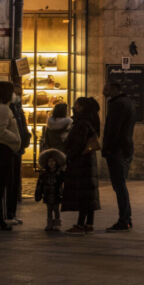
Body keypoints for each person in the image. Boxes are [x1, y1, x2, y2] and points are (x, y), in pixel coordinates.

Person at [62, 97, 101, 234]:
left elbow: (77, 144)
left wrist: (69, 156)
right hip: (88, 161)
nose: (74, 107)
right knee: (88, 193)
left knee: (83, 194)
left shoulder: (81, 124)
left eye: (77, 106)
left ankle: (79, 225)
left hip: (81, 162)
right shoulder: (90, 121)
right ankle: (89, 223)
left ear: (82, 108)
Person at [102, 80, 136, 232]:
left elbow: (113, 130)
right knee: (120, 185)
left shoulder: (117, 105)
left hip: (117, 150)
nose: (104, 89)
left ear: (114, 88)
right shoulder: (127, 102)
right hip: (124, 148)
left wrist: (108, 148)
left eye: (106, 86)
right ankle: (126, 218)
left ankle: (124, 219)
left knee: (119, 186)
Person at [7, 83, 31, 226]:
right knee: (10, 183)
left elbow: (21, 125)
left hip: (18, 149)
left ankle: (12, 212)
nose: (19, 95)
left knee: (14, 182)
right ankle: (9, 213)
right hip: (11, 150)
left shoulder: (17, 108)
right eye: (16, 92)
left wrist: (26, 137)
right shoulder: (8, 108)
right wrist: (17, 140)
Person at [0, 82, 20, 231]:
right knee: (3, 185)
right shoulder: (3, 109)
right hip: (4, 150)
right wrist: (15, 139)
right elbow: (1, 131)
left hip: (6, 149)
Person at [35, 148, 66, 231]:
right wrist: (39, 194)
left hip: (56, 194)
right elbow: (40, 185)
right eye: (49, 161)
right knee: (49, 210)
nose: (51, 163)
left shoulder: (60, 173)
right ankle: (49, 224)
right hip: (47, 194)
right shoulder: (44, 174)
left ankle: (57, 224)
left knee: (56, 209)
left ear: (56, 162)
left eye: (53, 161)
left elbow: (64, 181)